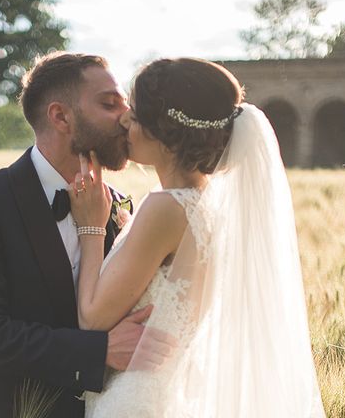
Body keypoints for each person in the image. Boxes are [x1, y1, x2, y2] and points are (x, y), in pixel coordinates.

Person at [70, 58, 326, 417]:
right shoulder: (203, 203)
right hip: (169, 394)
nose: (125, 119)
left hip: (135, 402)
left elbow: (93, 320)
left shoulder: (165, 208)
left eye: (137, 113)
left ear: (167, 132)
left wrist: (92, 226)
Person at [0, 52, 172, 418]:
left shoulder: (123, 206)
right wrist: (98, 351)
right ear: (61, 116)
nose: (127, 118)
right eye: (110, 104)